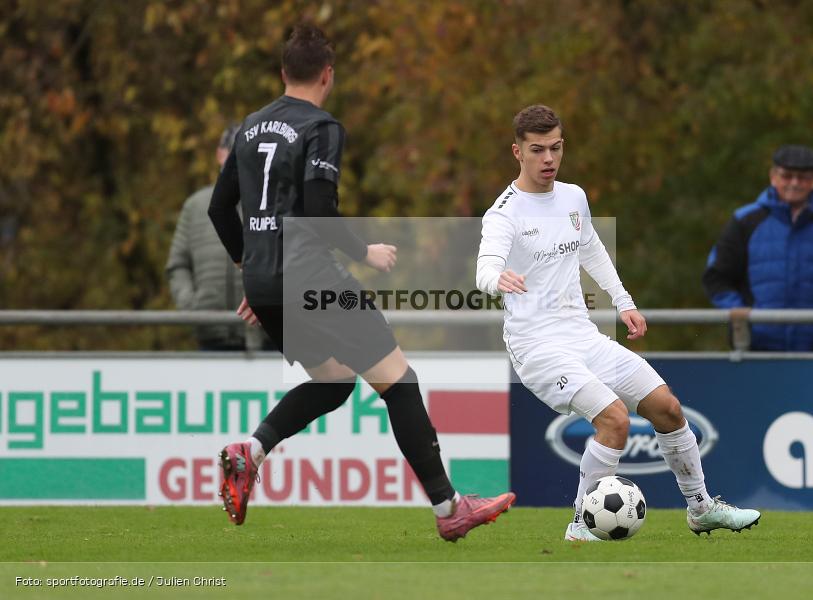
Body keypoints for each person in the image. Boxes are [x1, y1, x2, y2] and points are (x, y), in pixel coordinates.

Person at [207, 22, 514, 541]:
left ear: (284, 73)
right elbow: (320, 208)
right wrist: (364, 252)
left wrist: (254, 268)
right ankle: (450, 508)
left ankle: (250, 451)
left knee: (332, 381)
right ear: (327, 75)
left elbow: (220, 209)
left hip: (267, 282)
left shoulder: (251, 127)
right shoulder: (321, 127)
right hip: (309, 276)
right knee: (400, 381)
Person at [476, 104, 759, 541]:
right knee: (614, 419)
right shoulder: (505, 212)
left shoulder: (574, 197)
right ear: (517, 152)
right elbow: (484, 268)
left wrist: (623, 302)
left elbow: (591, 250)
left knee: (667, 407)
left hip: (582, 335)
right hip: (536, 346)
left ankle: (701, 509)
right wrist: (497, 277)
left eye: (555, 148)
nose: (548, 159)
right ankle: (580, 523)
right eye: (537, 150)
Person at [702, 145, 813, 351]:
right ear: (773, 177)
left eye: (802, 177)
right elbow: (716, 277)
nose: (794, 183)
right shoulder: (745, 221)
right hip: (754, 353)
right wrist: (742, 318)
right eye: (787, 176)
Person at [166, 124, 250, 350]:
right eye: (232, 152)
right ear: (219, 154)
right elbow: (178, 265)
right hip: (211, 336)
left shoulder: (271, 203)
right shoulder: (196, 206)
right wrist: (193, 307)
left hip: (267, 336)